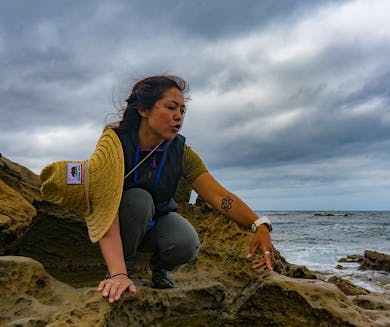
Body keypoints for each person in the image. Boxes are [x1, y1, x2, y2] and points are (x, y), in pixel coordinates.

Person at [40, 74, 274, 304]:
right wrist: (119, 273)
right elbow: (104, 210)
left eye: (182, 111)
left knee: (187, 242)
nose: (178, 117)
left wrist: (259, 224)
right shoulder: (114, 145)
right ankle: (123, 271)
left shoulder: (180, 152)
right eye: (171, 107)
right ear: (144, 109)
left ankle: (159, 269)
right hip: (117, 221)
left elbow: (218, 195)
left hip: (153, 220)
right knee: (139, 200)